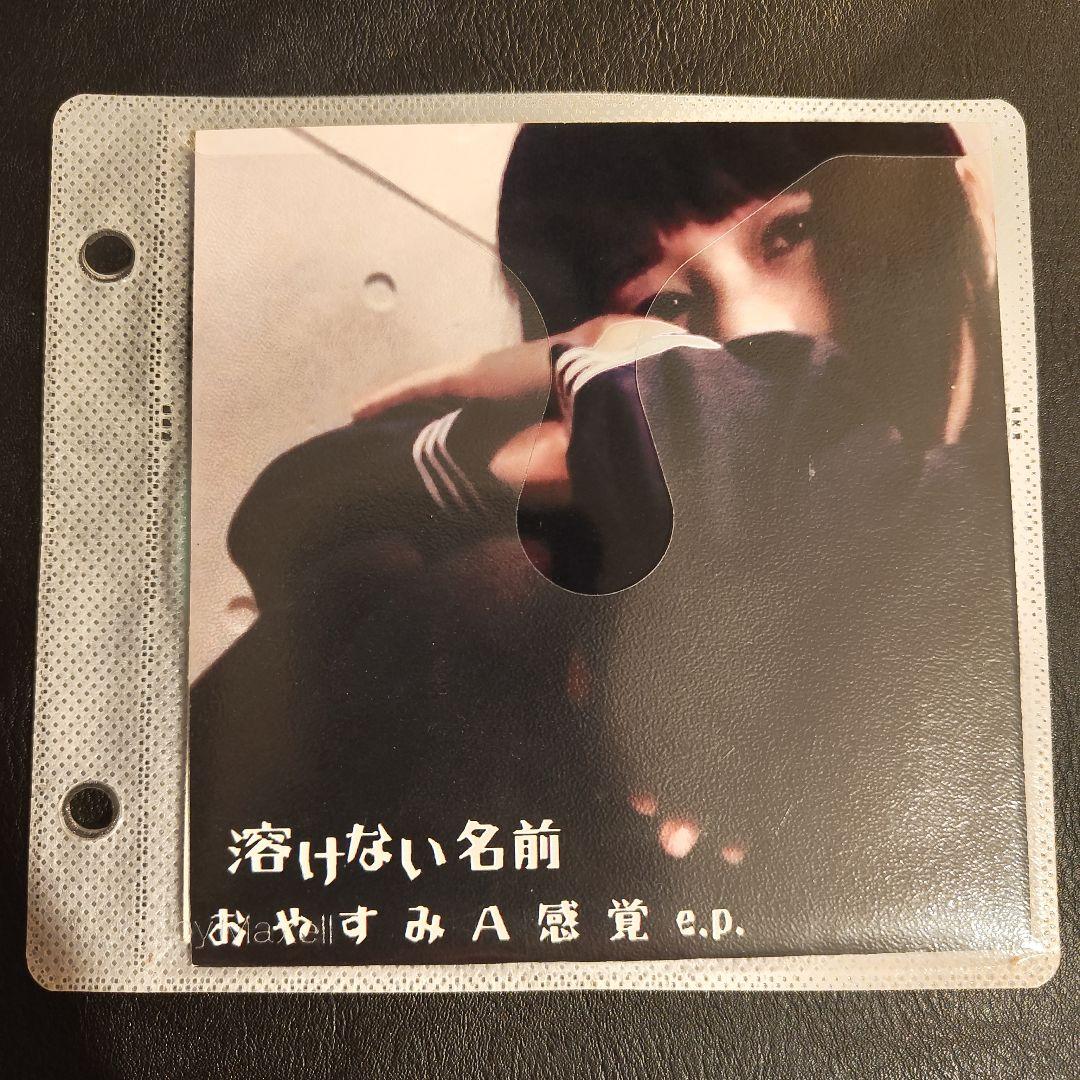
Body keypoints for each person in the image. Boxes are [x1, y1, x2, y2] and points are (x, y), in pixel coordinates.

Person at [189, 123, 1029, 965]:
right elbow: (298, 507)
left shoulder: (1023, 481)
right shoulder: (610, 485)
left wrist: (635, 388)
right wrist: (504, 452)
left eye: (790, 234)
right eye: (666, 305)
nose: (748, 329)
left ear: (955, 214)